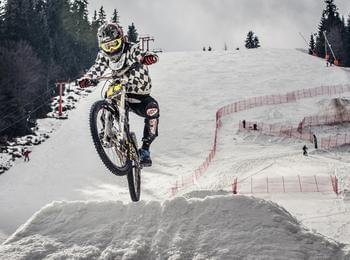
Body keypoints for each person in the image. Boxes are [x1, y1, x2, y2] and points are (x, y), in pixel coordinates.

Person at [79, 23, 159, 167]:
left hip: (139, 93)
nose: (111, 50)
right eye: (107, 46)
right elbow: (97, 68)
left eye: (114, 44)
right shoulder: (103, 56)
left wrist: (148, 58)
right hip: (119, 88)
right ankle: (107, 129)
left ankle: (145, 149)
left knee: (153, 110)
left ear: (122, 40)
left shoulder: (131, 49)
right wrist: (88, 78)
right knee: (108, 96)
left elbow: (141, 54)